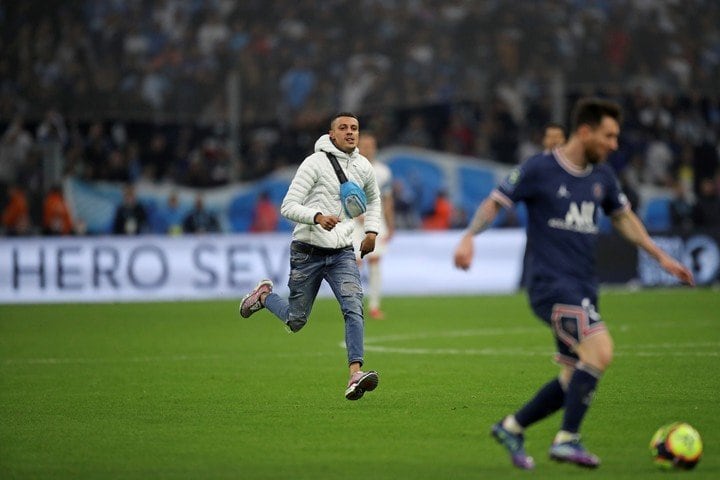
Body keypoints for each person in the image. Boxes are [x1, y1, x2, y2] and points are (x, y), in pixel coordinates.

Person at [453, 98, 694, 470]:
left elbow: (624, 218)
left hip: (583, 285)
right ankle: (567, 440)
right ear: (585, 131)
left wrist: (661, 257)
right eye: (609, 135)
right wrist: (469, 236)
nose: (615, 144)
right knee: (601, 352)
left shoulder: (603, 178)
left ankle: (512, 426)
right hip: (550, 284)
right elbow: (495, 202)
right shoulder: (539, 169)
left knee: (573, 376)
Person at [238, 112, 382, 401]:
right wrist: (316, 217)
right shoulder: (313, 163)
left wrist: (371, 232)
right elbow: (287, 206)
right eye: (343, 128)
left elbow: (374, 199)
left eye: (354, 128)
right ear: (331, 134)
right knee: (296, 320)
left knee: (354, 307)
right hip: (308, 251)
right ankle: (265, 296)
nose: (350, 133)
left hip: (341, 251)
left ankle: (355, 374)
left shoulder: (363, 166)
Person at [353, 131, 395, 319]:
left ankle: (374, 306)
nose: (369, 149)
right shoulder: (349, 168)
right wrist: (357, 213)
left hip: (377, 222)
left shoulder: (383, 171)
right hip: (354, 224)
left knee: (376, 262)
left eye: (372, 145)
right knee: (354, 264)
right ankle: (352, 306)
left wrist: (391, 224)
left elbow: (387, 199)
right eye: (365, 145)